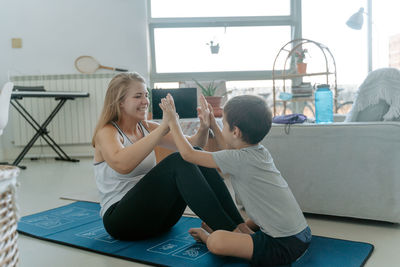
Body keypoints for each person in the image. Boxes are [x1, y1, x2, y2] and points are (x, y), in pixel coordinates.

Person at [92, 72, 251, 241]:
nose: (145, 101)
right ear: (120, 102)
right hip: (121, 221)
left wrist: (204, 127)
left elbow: (191, 145)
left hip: (158, 218)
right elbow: (122, 164)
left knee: (194, 154)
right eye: (138, 96)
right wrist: (164, 126)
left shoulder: (145, 127)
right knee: (178, 160)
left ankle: (241, 227)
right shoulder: (107, 132)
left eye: (146, 95)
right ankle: (232, 235)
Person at [159, 94, 312, 266]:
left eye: (223, 123)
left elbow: (188, 154)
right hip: (302, 234)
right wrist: (213, 125)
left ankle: (212, 237)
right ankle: (240, 233)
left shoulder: (238, 159)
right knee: (254, 218)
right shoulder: (259, 152)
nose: (221, 126)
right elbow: (228, 149)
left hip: (282, 246)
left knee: (217, 241)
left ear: (236, 131)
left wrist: (172, 122)